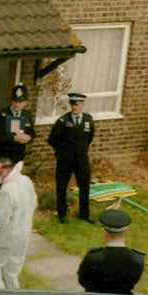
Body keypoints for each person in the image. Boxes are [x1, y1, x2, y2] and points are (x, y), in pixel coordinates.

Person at [0, 156, 37, 290]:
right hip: (23, 233)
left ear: (9, 169)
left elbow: (1, 221)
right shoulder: (25, 181)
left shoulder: (6, 191)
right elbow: (33, 202)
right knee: (11, 271)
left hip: (7, 235)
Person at [48, 92, 96, 223]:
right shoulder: (63, 121)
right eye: (72, 104)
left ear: (83, 104)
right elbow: (52, 139)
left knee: (84, 186)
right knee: (62, 186)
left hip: (81, 159)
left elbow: (89, 138)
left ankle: (84, 214)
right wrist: (62, 151)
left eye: (78, 104)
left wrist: (81, 150)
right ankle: (62, 214)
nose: (75, 107)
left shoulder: (88, 120)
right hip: (65, 159)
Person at [0, 83, 35, 209]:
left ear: (26, 102)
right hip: (1, 158)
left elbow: (32, 133)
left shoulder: (27, 116)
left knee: (13, 190)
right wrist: (13, 138)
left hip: (16, 159)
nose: (16, 104)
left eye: (20, 102)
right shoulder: (2, 115)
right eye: (14, 101)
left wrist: (28, 138)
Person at [77, 207, 145, 294]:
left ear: (105, 232)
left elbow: (83, 281)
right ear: (126, 231)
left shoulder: (93, 257)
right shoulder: (137, 258)